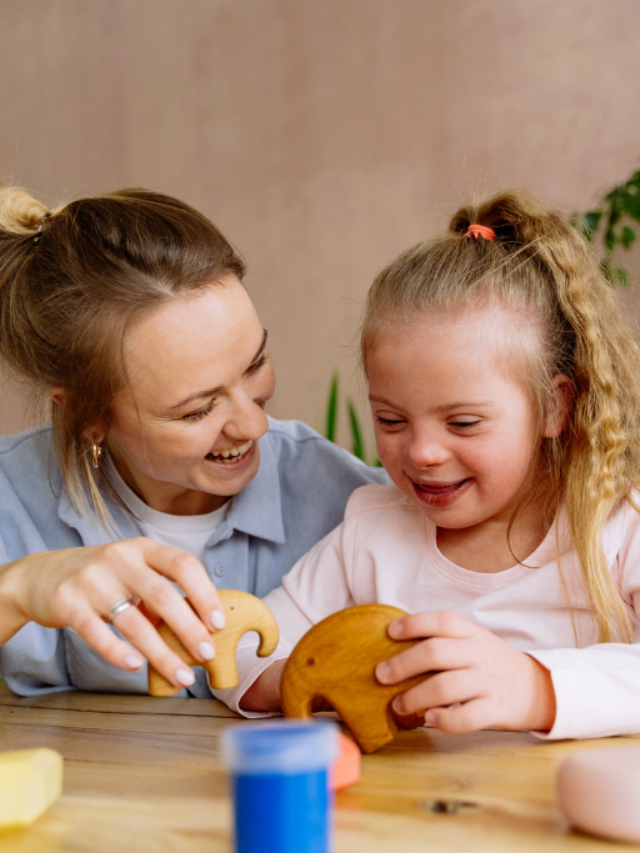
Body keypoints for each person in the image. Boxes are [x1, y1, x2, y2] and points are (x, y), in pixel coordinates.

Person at [227, 191, 640, 741]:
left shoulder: (617, 526)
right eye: (392, 421)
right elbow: (247, 648)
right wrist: (307, 681)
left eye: (463, 423)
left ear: (554, 406)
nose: (421, 452)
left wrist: (535, 687)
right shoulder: (371, 531)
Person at [0, 186, 387, 697]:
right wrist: (19, 591)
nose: (252, 426)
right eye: (198, 409)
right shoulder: (13, 497)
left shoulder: (349, 501)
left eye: (255, 366)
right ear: (87, 414)